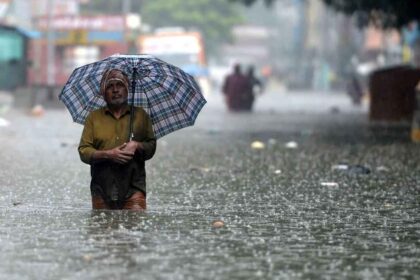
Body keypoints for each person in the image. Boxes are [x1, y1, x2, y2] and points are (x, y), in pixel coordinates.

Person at [78, 69, 156, 210]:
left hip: (133, 187)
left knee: (135, 227)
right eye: (110, 86)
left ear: (127, 90)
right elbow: (84, 151)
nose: (115, 90)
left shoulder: (140, 115)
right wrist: (108, 154)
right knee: (102, 229)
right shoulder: (94, 118)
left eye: (119, 85)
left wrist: (136, 145)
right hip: (101, 188)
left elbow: (151, 147)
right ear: (103, 93)